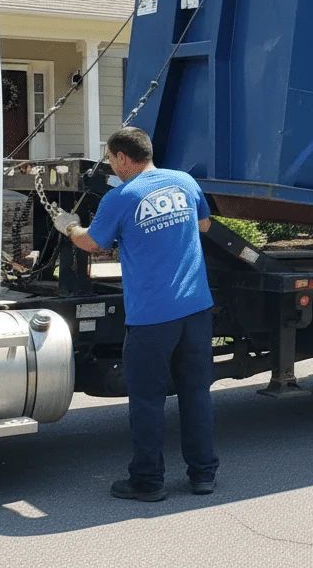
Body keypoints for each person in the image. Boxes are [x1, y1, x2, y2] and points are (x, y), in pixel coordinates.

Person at [56, 127, 219, 501]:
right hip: (196, 310)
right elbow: (204, 224)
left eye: (111, 159)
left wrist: (67, 225)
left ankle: (147, 481)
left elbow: (93, 244)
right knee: (196, 393)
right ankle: (203, 475)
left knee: (147, 399)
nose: (111, 166)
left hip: (152, 318)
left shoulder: (121, 196)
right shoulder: (184, 181)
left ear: (123, 158)